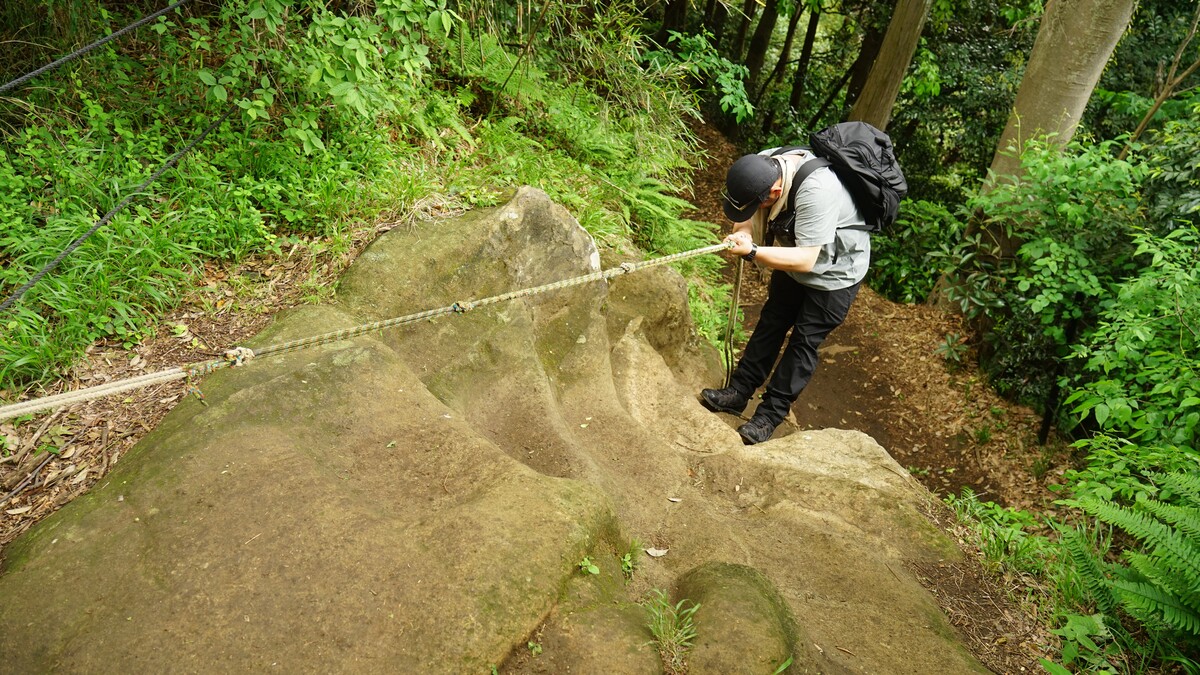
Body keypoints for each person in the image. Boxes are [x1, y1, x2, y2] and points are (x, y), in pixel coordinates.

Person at [700, 148, 869, 445]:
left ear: (776, 190)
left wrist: (753, 252)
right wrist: (744, 233)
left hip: (835, 275)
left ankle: (769, 416)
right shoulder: (763, 166)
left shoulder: (817, 190)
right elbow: (747, 213)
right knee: (772, 322)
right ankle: (739, 392)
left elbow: (806, 260)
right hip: (792, 261)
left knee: (803, 342)